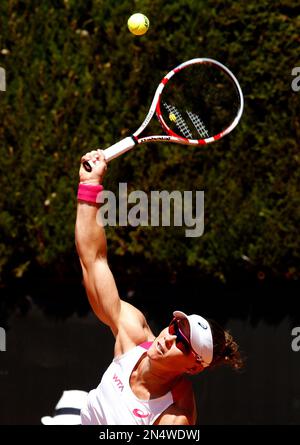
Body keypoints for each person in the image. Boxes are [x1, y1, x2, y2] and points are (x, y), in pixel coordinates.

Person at [75, 150, 243, 425]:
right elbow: (93, 260)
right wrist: (90, 184)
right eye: (176, 328)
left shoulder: (175, 417)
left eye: (183, 343)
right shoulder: (133, 334)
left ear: (194, 367)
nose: (169, 337)